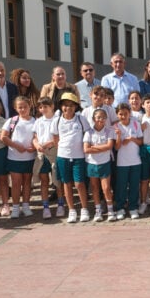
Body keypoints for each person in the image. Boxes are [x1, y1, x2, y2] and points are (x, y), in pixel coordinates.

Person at [50, 92, 91, 223]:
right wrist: (63, 150)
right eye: (65, 105)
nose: (68, 108)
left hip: (79, 157)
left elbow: (87, 135)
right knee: (66, 184)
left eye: (71, 105)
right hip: (63, 156)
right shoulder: (56, 121)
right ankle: (72, 210)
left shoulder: (81, 119)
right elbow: (56, 139)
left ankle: (84, 209)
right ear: (61, 106)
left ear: (76, 107)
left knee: (79, 184)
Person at [0, 96, 37, 219]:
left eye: (25, 107)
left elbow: (38, 137)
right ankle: (15, 207)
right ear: (15, 108)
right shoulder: (12, 121)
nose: (22, 109)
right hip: (14, 157)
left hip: (30, 157)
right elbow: (3, 137)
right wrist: (16, 146)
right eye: (20, 107)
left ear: (29, 106)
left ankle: (25, 206)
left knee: (27, 182)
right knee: (16, 183)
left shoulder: (35, 121)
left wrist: (34, 146)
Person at [31, 97, 63, 219]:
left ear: (52, 107)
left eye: (46, 106)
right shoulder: (38, 121)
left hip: (54, 152)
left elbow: (58, 138)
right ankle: (46, 207)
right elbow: (35, 137)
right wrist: (37, 145)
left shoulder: (58, 120)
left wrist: (48, 144)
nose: (43, 109)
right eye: (41, 107)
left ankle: (60, 204)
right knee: (44, 180)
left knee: (57, 180)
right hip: (42, 153)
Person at [83, 109, 116, 222]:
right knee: (94, 188)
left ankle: (110, 210)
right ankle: (98, 210)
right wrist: (101, 147)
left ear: (106, 119)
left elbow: (109, 146)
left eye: (103, 117)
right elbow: (86, 149)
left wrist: (94, 148)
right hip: (92, 163)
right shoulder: (89, 133)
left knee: (106, 188)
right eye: (98, 117)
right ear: (93, 119)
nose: (100, 120)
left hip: (105, 163)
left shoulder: (109, 132)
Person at [113, 103, 144, 220]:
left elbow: (141, 141)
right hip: (122, 162)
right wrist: (120, 138)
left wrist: (132, 139)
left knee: (134, 185)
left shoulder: (135, 124)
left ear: (129, 113)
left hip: (136, 160)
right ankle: (120, 208)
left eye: (125, 113)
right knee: (121, 185)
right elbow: (116, 147)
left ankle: (133, 207)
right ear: (117, 115)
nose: (123, 116)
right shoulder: (115, 126)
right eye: (120, 114)